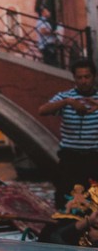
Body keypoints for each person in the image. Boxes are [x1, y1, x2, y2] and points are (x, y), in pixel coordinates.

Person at [38, 58, 98, 211]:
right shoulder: (65, 97)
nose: (83, 81)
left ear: (94, 77)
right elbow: (42, 110)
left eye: (87, 77)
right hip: (71, 157)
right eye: (79, 77)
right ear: (74, 79)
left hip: (95, 157)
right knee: (65, 198)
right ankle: (67, 227)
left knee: (95, 199)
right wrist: (68, 102)